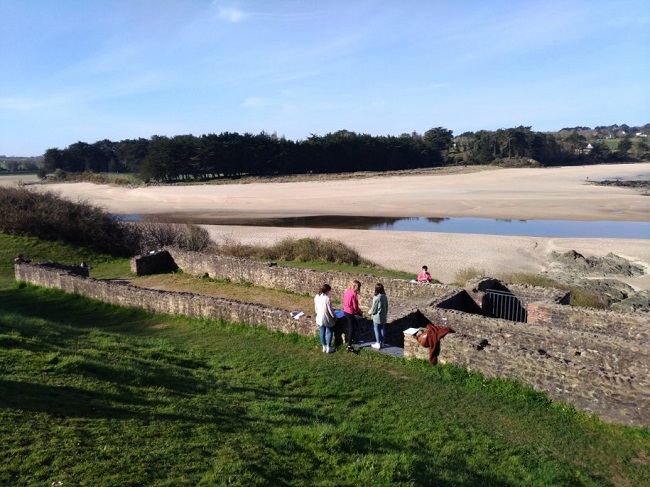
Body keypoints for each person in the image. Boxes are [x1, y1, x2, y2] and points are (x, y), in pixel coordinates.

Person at [314, 283, 336, 353]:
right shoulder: (327, 298)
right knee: (329, 331)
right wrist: (334, 316)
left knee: (322, 332)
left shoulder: (317, 297)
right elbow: (330, 310)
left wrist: (318, 313)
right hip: (326, 317)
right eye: (329, 291)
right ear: (327, 291)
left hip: (319, 316)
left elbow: (316, 308)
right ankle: (328, 347)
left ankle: (324, 346)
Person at [343, 280, 362, 352]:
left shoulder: (347, 291)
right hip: (350, 312)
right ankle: (349, 345)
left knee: (355, 325)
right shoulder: (354, 294)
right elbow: (355, 306)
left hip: (345, 310)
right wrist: (359, 311)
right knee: (352, 328)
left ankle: (352, 340)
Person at [368, 283, 388, 349]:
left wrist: (369, 312)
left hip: (377, 317)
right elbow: (386, 307)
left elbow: (374, 309)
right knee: (382, 329)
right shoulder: (384, 297)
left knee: (376, 329)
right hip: (383, 316)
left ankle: (377, 343)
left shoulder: (376, 298)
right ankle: (382, 342)